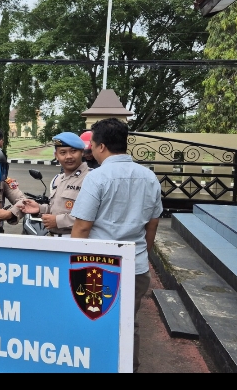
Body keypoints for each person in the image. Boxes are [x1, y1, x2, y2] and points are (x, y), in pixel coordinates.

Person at [69, 118, 163, 373]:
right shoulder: (149, 177)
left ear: (100, 146)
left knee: (94, 321)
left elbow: (82, 227)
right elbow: (152, 224)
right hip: (136, 267)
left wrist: (73, 263)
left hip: (98, 268)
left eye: (92, 145)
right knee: (128, 323)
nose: (91, 150)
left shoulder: (97, 178)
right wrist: (141, 255)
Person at [15, 132, 92, 237]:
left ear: (82, 152)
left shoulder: (90, 178)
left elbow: (90, 217)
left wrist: (58, 221)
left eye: (73, 151)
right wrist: (40, 209)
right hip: (53, 238)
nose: (69, 156)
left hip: (76, 239)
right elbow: (57, 209)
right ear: (56, 156)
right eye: (63, 152)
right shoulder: (58, 179)